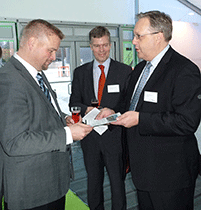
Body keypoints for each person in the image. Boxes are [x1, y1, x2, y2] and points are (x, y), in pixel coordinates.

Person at [99, 11, 201, 210]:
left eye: (138, 36)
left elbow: (187, 122)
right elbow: (131, 105)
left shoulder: (184, 70)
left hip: (170, 174)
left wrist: (140, 119)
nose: (134, 41)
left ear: (158, 37)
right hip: (143, 171)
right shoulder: (139, 69)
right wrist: (112, 111)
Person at [0, 19, 92, 210]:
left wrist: (63, 119)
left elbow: (40, 112)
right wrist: (68, 134)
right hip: (32, 192)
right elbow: (14, 142)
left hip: (50, 184)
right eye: (50, 50)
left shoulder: (35, 74)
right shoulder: (9, 80)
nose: (53, 57)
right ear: (32, 43)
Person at [69, 26, 132, 210]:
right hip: (90, 138)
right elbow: (74, 102)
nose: (101, 49)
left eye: (105, 45)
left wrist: (112, 110)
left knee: (117, 184)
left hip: (115, 138)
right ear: (90, 46)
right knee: (93, 183)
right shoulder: (80, 73)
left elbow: (128, 104)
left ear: (110, 45)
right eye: (97, 46)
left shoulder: (124, 71)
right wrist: (87, 108)